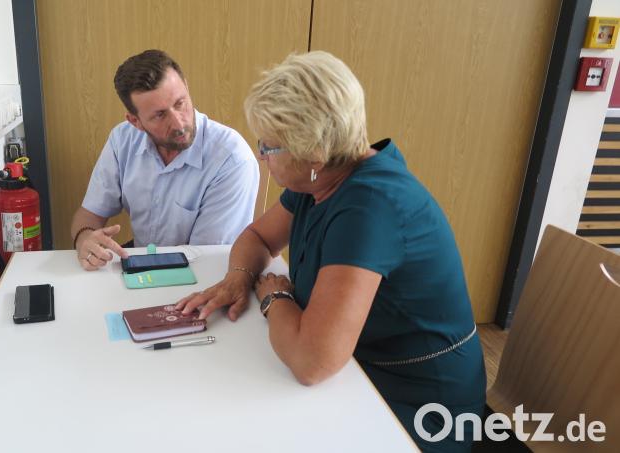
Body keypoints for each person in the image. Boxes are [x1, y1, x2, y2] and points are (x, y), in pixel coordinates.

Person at [176, 51, 485, 451]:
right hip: (360, 368)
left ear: (313, 155)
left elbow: (312, 362)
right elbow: (256, 237)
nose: (261, 156)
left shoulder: (370, 207)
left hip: (418, 402)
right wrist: (238, 278)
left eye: (269, 147)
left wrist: (276, 297)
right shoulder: (322, 178)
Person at [71, 49, 259, 270]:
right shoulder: (122, 139)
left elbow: (207, 263)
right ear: (135, 121)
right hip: (146, 263)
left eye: (180, 103)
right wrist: (85, 239)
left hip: (199, 274)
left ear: (187, 88)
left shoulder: (231, 159)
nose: (179, 124)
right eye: (160, 115)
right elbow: (90, 214)